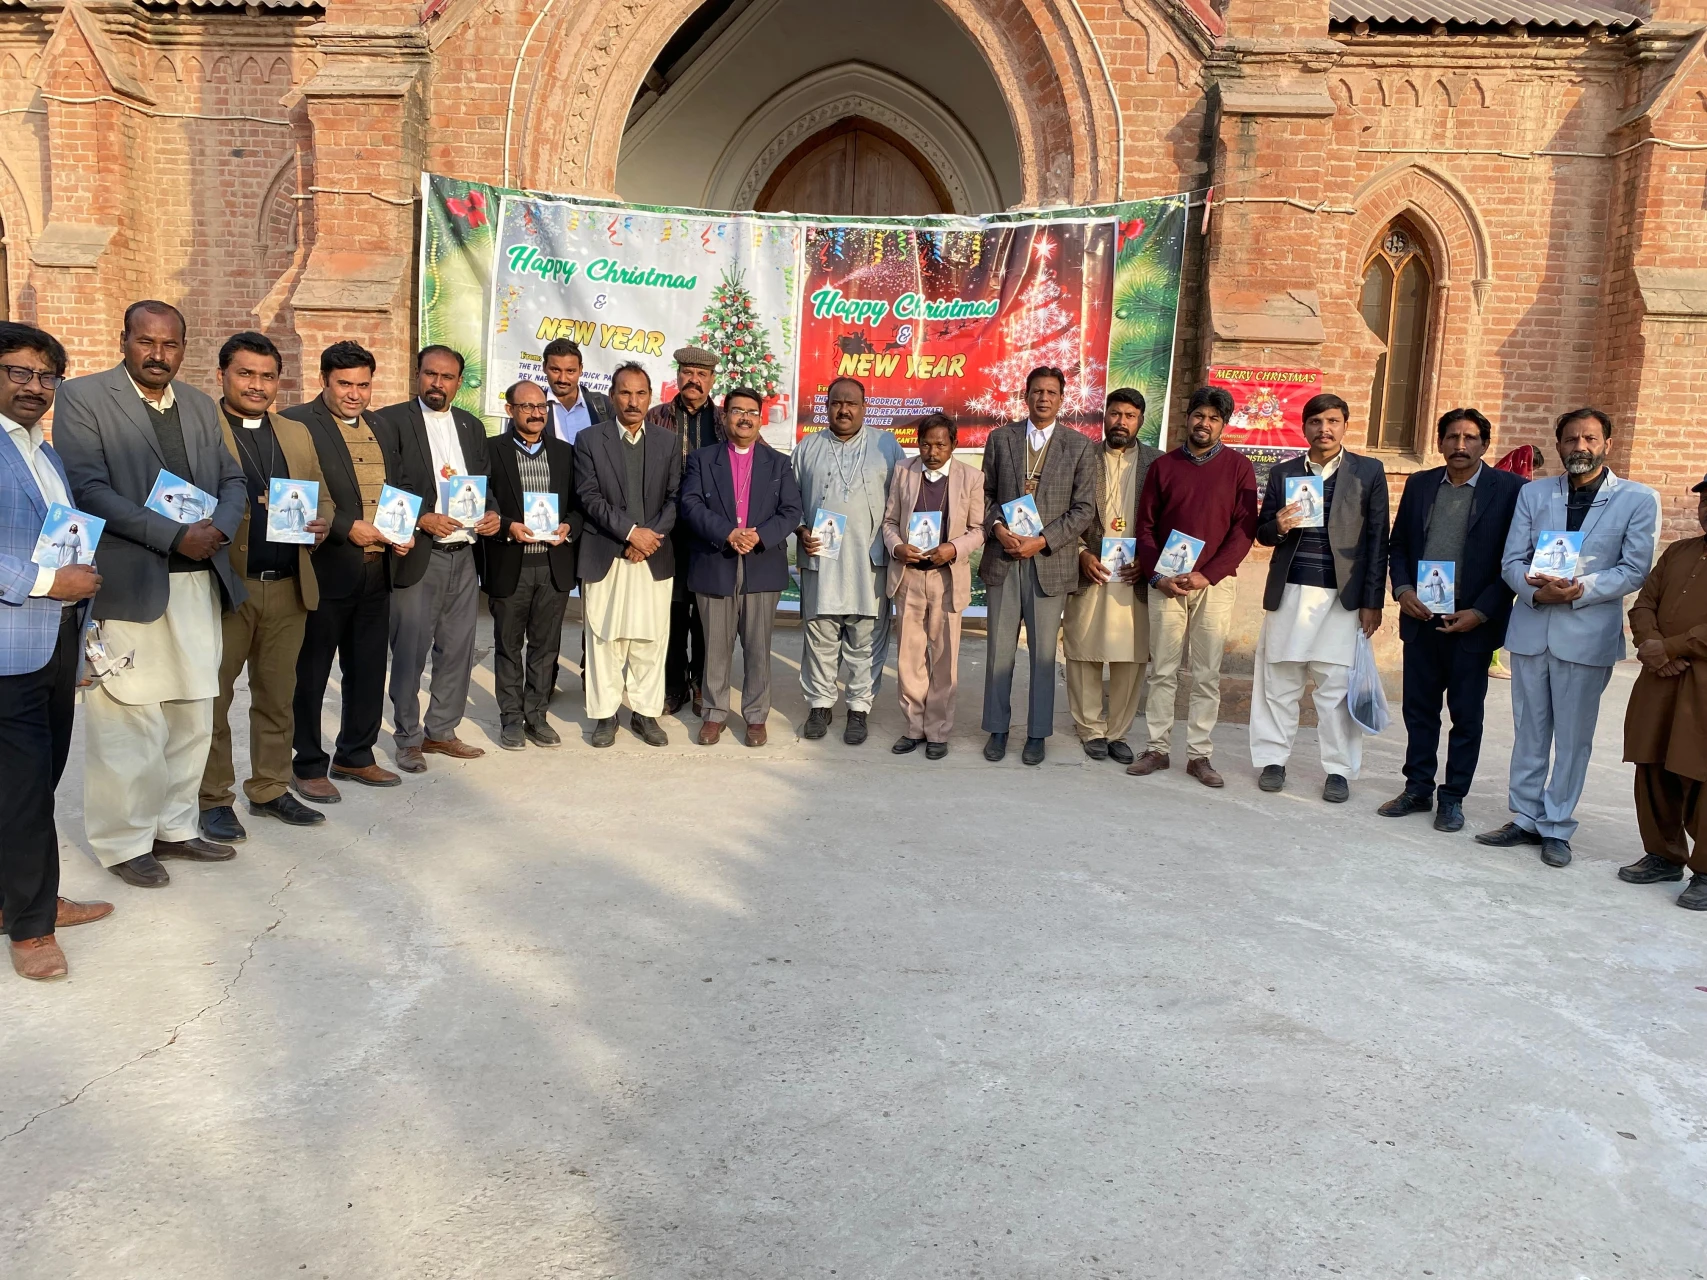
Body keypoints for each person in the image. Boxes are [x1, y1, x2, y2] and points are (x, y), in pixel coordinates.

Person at [54, 300, 249, 888]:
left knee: (194, 713)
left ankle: (176, 827)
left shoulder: (196, 404)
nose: (158, 354)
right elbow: (87, 488)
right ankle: (124, 843)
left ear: (183, 349)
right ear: (125, 340)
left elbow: (233, 478)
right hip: (131, 583)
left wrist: (218, 531)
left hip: (199, 582)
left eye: (170, 345)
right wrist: (174, 535)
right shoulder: (85, 398)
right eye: (146, 342)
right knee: (129, 718)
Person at [1477, 408, 1660, 867]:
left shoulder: (1637, 499)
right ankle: (1523, 817)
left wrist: (1580, 591)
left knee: (1574, 737)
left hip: (1586, 633)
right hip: (1533, 627)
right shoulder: (1534, 494)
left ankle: (1556, 826)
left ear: (1607, 445)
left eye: (1590, 439)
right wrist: (1537, 594)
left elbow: (1634, 568)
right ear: (1558, 445)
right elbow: (1511, 561)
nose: (1580, 447)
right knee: (1530, 731)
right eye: (1571, 439)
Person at [0, 322, 111, 979]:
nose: (34, 386)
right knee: (20, 791)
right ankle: (32, 931)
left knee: (35, 784)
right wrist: (48, 582)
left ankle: (20, 898)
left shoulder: (48, 455)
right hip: (10, 649)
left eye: (46, 376)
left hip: (58, 641)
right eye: (18, 371)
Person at [198, 331, 335, 845]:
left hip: (288, 588)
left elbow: (322, 496)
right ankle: (213, 798)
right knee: (213, 699)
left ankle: (270, 787)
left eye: (267, 375)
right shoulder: (200, 427)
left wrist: (321, 523)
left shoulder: (295, 432)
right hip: (227, 586)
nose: (257, 385)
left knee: (277, 698)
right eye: (245, 374)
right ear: (222, 376)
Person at [285, 341, 419, 802]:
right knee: (312, 672)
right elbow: (295, 492)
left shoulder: (380, 424)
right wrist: (347, 527)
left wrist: (405, 527)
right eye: (344, 384)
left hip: (377, 568)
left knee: (366, 669)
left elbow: (397, 485)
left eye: (363, 384)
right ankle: (305, 763)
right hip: (325, 569)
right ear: (325, 380)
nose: (354, 394)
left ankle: (356, 755)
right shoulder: (298, 424)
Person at [1379, 408, 1524, 832]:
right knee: (1419, 711)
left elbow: (1514, 559)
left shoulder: (1511, 490)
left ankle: (1453, 797)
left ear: (1484, 444)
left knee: (1466, 716)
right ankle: (1418, 788)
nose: (1461, 445)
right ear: (1440, 441)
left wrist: (1481, 611)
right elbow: (1400, 544)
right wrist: (1403, 589)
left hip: (1473, 623)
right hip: (1422, 616)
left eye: (1471, 438)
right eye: (1453, 437)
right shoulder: (1421, 484)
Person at [1247, 393, 1389, 802]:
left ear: (1345, 425)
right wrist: (1277, 524)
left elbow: (1379, 539)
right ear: (1303, 426)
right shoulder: (1284, 472)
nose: (1324, 429)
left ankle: (1338, 771)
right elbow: (1262, 533)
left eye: (1332, 421)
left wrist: (1372, 601)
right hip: (1290, 590)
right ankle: (1272, 760)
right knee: (1279, 682)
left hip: (1341, 598)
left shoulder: (1368, 472)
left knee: (1336, 690)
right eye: (1315, 422)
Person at [1129, 386, 1259, 786]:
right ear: (1188, 418)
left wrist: (1209, 574)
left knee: (1206, 674)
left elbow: (1244, 531)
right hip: (1166, 584)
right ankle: (1157, 748)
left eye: (1214, 418)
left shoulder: (1239, 468)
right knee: (1163, 670)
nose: (1204, 423)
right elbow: (1145, 527)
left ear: (1224, 424)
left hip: (1213, 586)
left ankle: (1200, 755)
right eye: (1199, 415)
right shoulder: (1163, 467)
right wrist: (1158, 577)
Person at [378, 345, 500, 772]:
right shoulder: (391, 421)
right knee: (411, 650)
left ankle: (441, 731)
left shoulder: (469, 426)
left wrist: (493, 515)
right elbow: (383, 486)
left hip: (464, 555)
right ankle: (408, 737)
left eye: (447, 377)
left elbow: (484, 484)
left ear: (458, 382)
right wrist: (420, 519)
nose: (438, 383)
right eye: (431, 374)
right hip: (420, 555)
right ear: (418, 375)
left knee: (458, 649)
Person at [978, 366, 1097, 766]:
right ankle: (997, 729)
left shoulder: (1079, 446)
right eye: (1036, 391)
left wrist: (1042, 540)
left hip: (1049, 560)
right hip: (1005, 558)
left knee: (1044, 654)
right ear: (1024, 396)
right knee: (999, 650)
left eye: (1051, 392)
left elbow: (1084, 510)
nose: (1043, 398)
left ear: (1062, 399)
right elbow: (987, 494)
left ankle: (1037, 734)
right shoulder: (1001, 439)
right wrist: (997, 528)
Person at [680, 386, 803, 747]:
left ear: (760, 418)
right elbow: (690, 505)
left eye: (751, 411)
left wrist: (758, 536)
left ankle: (755, 715)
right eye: (737, 411)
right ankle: (715, 713)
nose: (744, 417)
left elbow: (791, 511)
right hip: (716, 562)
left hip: (761, 566)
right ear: (724, 416)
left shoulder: (779, 463)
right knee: (715, 646)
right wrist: (729, 533)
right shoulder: (702, 460)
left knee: (757, 646)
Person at [794, 376, 906, 746]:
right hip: (822, 562)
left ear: (864, 406)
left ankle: (859, 708)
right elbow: (788, 501)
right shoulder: (807, 447)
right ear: (825, 406)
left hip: (868, 562)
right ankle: (820, 704)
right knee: (821, 635)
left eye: (851, 403)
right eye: (836, 403)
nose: (844, 410)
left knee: (865, 637)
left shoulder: (886, 446)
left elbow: (906, 497)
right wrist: (799, 530)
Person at [575, 362, 681, 747]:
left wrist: (650, 537)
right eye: (625, 392)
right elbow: (588, 497)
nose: (633, 401)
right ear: (612, 396)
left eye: (640, 393)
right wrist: (631, 534)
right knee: (605, 638)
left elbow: (675, 497)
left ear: (650, 397)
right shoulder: (590, 439)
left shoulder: (667, 443)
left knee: (650, 640)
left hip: (653, 554)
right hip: (608, 551)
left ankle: (645, 713)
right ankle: (605, 715)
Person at [1618, 475, 1707, 910]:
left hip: (1702, 686)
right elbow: (1644, 604)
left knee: (1701, 773)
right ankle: (1663, 855)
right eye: (1705, 499)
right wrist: (1651, 649)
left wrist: (1669, 647)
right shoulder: (1679, 551)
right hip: (1660, 679)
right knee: (1652, 763)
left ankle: (1706, 872)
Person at [1064, 388, 1163, 765]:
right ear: (1104, 416)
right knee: (1083, 647)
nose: (1121, 422)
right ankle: (1090, 728)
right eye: (1115, 414)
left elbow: (1165, 517)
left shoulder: (1156, 462)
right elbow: (1061, 507)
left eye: (1130, 416)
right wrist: (1079, 553)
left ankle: (1117, 731)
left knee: (1132, 655)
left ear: (1141, 420)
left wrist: (1149, 561)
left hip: (1134, 572)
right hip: (1092, 566)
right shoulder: (1081, 455)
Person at [482, 380, 578, 751]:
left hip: (553, 565)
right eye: (527, 406)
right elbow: (482, 503)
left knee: (545, 647)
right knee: (508, 646)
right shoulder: (492, 451)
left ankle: (536, 716)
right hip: (512, 563)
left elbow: (578, 507)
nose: (537, 413)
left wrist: (569, 526)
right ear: (510, 410)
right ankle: (510, 719)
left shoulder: (565, 453)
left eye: (542, 407)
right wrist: (508, 527)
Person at [882, 413, 985, 758]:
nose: (932, 451)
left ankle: (938, 730)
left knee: (944, 658)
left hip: (946, 578)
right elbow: (890, 521)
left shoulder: (971, 478)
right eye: (926, 443)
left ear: (954, 445)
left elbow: (979, 528)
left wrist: (953, 549)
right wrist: (897, 547)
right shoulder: (903, 471)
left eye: (940, 444)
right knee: (910, 656)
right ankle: (914, 727)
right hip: (909, 575)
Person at [646, 346, 725, 717]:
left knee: (707, 616)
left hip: (711, 535)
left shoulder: (726, 421)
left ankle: (702, 684)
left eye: (702, 374)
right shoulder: (656, 417)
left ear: (712, 380)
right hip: (668, 532)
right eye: (687, 372)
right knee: (673, 613)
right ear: (678, 376)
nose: (694, 380)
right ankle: (673, 684)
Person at [542, 337, 611, 447]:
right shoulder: (531, 407)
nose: (562, 379)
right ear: (544, 367)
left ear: (581, 369)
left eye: (570, 371)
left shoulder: (604, 405)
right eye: (555, 370)